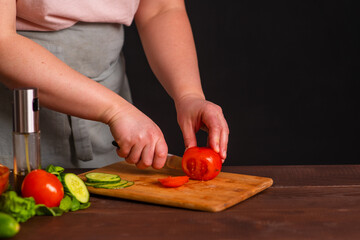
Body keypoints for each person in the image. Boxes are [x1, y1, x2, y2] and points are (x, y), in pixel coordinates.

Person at [0, 0, 229, 169]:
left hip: (113, 102)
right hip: (18, 111)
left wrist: (189, 94)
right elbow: (3, 43)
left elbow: (161, 8)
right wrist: (115, 110)